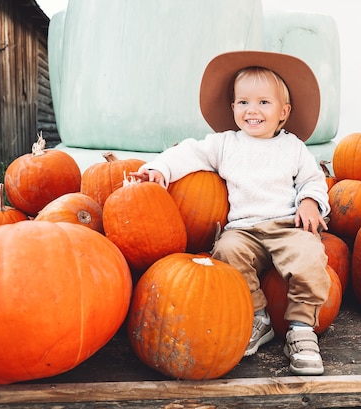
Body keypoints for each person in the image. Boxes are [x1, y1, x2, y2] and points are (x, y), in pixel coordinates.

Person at [132, 50, 331, 376]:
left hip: (286, 225)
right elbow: (188, 153)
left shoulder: (293, 146)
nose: (252, 109)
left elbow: (312, 180)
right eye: (243, 102)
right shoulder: (224, 144)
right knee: (226, 253)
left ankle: (301, 328)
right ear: (233, 108)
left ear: (284, 112)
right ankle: (258, 319)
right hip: (244, 230)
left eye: (263, 103)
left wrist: (309, 201)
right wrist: (159, 170)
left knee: (310, 256)